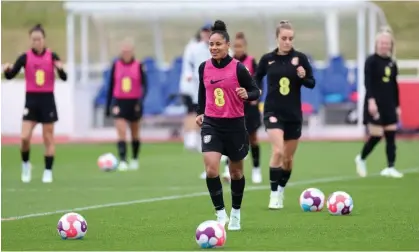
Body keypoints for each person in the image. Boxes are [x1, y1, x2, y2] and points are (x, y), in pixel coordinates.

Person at [196, 20, 260, 231]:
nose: (213, 48)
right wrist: (200, 112)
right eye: (211, 44)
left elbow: (256, 91)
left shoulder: (239, 68)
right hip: (212, 124)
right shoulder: (204, 67)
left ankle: (236, 213)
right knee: (211, 168)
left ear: (227, 45)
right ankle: (220, 213)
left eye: (218, 44)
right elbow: (202, 92)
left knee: (236, 174)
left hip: (235, 125)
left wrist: (246, 94)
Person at [255, 20, 315, 209]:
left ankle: (281, 189)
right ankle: (273, 195)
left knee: (288, 160)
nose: (287, 42)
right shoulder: (267, 59)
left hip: (293, 115)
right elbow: (256, 78)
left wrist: (303, 76)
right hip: (273, 111)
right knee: (278, 151)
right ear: (277, 38)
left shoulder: (300, 58)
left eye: (290, 38)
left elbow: (311, 83)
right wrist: (254, 94)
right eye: (284, 38)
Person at [3, 24, 67, 183]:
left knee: (48, 138)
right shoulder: (24, 57)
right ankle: (25, 164)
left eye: (39, 39)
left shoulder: (52, 56)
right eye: (33, 39)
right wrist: (6, 70)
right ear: (30, 40)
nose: (36, 42)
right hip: (31, 100)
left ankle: (48, 171)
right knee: (24, 137)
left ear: (44, 40)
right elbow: (11, 75)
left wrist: (60, 69)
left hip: (47, 100)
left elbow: (64, 77)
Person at [354, 28, 403, 178]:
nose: (384, 45)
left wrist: (397, 105)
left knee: (391, 135)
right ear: (377, 44)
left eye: (387, 43)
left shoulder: (392, 63)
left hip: (389, 104)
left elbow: (395, 85)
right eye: (382, 43)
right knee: (376, 135)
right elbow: (368, 84)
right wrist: (371, 101)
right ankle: (361, 158)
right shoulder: (371, 61)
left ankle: (391, 167)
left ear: (391, 45)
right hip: (375, 103)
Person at [221, 32, 262, 184]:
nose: (238, 49)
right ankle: (227, 170)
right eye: (236, 46)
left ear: (245, 47)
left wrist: (253, 97)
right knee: (231, 139)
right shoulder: (229, 63)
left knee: (253, 139)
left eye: (240, 46)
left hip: (249, 107)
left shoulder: (252, 62)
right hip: (233, 107)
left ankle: (256, 168)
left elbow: (257, 83)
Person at [105, 38, 148, 171]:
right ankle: (123, 160)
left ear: (132, 52)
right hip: (120, 102)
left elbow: (145, 85)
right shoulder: (116, 65)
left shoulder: (138, 65)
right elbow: (111, 86)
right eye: (124, 51)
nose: (126, 53)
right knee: (121, 131)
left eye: (128, 51)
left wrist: (140, 102)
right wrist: (109, 106)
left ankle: (134, 158)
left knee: (135, 132)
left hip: (134, 102)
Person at [180, 24, 212, 153]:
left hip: (209, 86)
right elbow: (188, 65)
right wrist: (189, 76)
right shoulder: (193, 47)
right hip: (193, 86)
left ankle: (201, 139)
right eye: (205, 32)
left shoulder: (215, 47)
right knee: (193, 111)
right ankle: (191, 138)